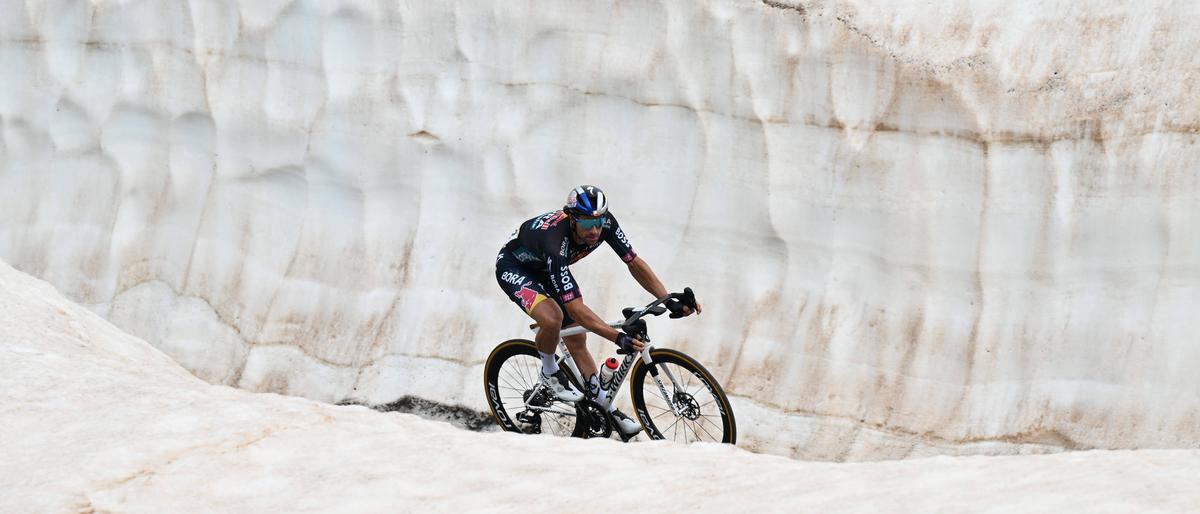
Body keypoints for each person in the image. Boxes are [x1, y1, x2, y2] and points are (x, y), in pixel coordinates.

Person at [494, 184, 700, 437]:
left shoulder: (606, 225)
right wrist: (618, 337)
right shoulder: (555, 241)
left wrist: (667, 298)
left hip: (547, 270)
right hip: (515, 268)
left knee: (577, 339)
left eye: (598, 222)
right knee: (554, 318)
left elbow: (633, 262)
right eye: (586, 225)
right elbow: (577, 310)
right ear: (572, 219)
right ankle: (549, 372)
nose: (594, 230)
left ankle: (606, 409)